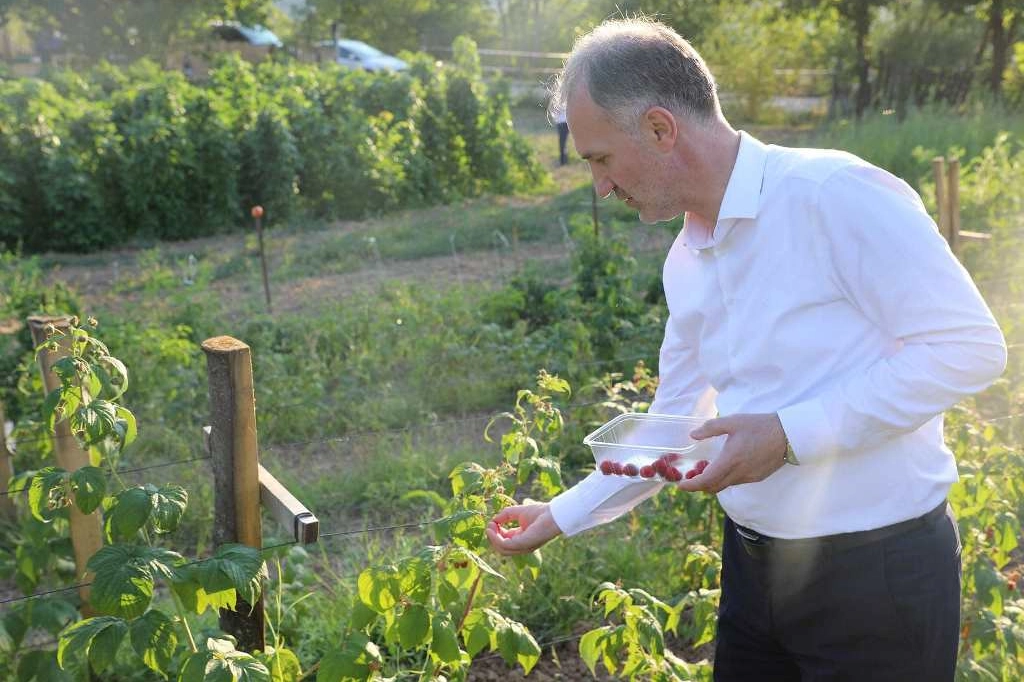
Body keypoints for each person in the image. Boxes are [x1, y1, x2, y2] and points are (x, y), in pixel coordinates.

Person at [486, 16, 1007, 682]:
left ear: (659, 129)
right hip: (755, 576)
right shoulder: (687, 258)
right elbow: (671, 425)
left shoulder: (833, 196)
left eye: (600, 158)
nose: (601, 186)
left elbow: (970, 347)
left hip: (878, 582)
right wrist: (556, 515)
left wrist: (788, 435)